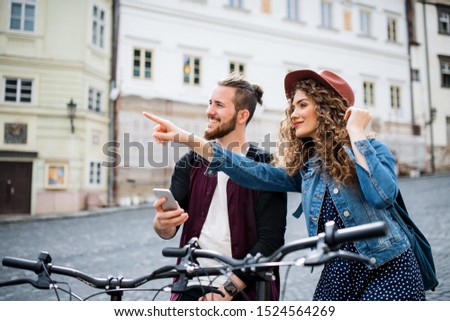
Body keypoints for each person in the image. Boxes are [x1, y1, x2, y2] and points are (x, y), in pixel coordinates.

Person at [144, 69, 427, 301]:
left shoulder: (372, 148)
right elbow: (254, 173)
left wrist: (356, 134)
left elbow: (382, 195)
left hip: (387, 266)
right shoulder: (307, 169)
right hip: (338, 271)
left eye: (302, 105)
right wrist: (186, 138)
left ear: (328, 107)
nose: (293, 113)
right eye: (293, 106)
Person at [150, 73, 287, 301]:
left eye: (219, 105)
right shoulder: (189, 162)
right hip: (190, 286)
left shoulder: (266, 166)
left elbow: (270, 242)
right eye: (210, 103)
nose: (209, 111)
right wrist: (161, 224)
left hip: (246, 291)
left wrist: (227, 290)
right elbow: (168, 229)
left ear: (242, 115)